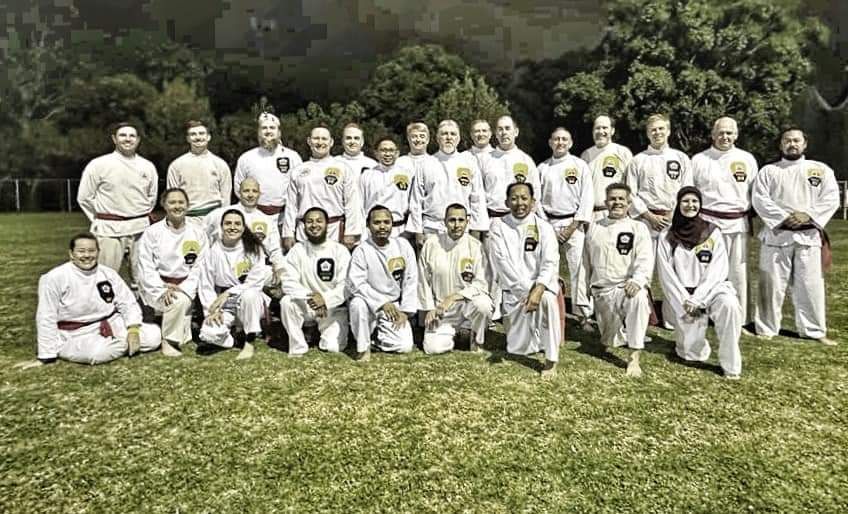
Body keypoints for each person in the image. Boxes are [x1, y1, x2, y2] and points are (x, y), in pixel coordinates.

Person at [15, 233, 161, 369]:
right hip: (76, 333)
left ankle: (119, 343)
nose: (87, 255)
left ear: (98, 252)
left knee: (154, 336)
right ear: (71, 254)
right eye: (81, 251)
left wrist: (133, 329)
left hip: (111, 323)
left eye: (92, 251)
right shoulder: (54, 278)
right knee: (98, 353)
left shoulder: (107, 273)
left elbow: (127, 302)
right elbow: (46, 316)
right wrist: (46, 355)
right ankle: (112, 346)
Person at [752, 128, 839, 345]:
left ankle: (814, 330)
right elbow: (760, 199)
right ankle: (766, 327)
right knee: (770, 284)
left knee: (810, 286)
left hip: (808, 236)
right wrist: (783, 217)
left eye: (796, 140)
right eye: (787, 141)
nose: (792, 144)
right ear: (780, 145)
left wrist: (807, 215)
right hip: (777, 234)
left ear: (805, 144)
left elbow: (830, 199)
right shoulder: (769, 171)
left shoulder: (820, 170)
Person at [657, 187, 743, 378]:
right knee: (691, 354)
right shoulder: (666, 236)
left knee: (730, 306)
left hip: (713, 290)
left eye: (695, 201)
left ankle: (731, 366)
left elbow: (718, 270)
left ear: (700, 205)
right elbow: (666, 274)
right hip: (684, 297)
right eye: (685, 201)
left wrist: (699, 298)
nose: (690, 205)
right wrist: (685, 301)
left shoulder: (712, 232)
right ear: (678, 205)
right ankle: (692, 345)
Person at [626, 113, 693, 327]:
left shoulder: (681, 158)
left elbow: (687, 190)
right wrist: (648, 216)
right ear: (647, 133)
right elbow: (630, 194)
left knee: (673, 271)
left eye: (661, 129)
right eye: (653, 130)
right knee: (642, 268)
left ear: (669, 130)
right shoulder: (638, 160)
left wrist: (674, 215)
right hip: (646, 221)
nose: (657, 133)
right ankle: (642, 316)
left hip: (673, 220)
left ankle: (672, 319)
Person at [487, 182, 561, 377]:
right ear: (506, 201)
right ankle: (535, 336)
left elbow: (551, 261)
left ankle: (551, 360)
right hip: (515, 293)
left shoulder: (544, 227)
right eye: (514, 198)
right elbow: (501, 263)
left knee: (547, 300)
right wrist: (526, 291)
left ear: (533, 202)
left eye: (524, 198)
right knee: (519, 348)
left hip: (541, 289)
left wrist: (538, 289)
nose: (519, 203)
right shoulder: (498, 226)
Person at [581, 183, 653, 377]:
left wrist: (637, 281)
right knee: (609, 340)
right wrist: (586, 287)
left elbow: (645, 259)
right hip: (602, 290)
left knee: (638, 299)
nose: (617, 202)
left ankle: (634, 357)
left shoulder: (638, 228)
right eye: (613, 199)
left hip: (626, 286)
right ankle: (616, 329)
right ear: (606, 202)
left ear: (629, 203)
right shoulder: (595, 227)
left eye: (621, 199)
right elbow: (585, 262)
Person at [692, 117, 758, 324]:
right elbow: (690, 193)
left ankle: (739, 318)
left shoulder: (747, 159)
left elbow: (755, 193)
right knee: (706, 270)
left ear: (736, 135)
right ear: (712, 135)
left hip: (737, 223)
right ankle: (703, 312)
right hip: (707, 223)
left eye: (729, 133)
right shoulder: (699, 160)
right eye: (720, 133)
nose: (725, 137)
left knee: (737, 273)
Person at [77, 122, 158, 283]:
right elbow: (84, 197)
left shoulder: (147, 166)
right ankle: (105, 308)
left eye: (132, 136)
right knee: (105, 277)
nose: (127, 139)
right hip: (109, 230)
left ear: (138, 140)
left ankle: (143, 307)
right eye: (123, 135)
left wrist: (137, 216)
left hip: (141, 229)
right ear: (114, 139)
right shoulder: (99, 165)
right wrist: (101, 218)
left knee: (144, 277)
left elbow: (151, 197)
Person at [136, 188, 209, 356]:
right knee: (177, 301)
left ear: (188, 205)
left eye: (181, 202)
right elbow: (145, 266)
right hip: (159, 287)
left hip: (186, 286)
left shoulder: (198, 232)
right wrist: (161, 288)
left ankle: (177, 330)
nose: (177, 206)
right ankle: (168, 341)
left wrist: (184, 287)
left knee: (181, 303)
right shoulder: (152, 232)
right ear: (164, 205)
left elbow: (201, 266)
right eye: (172, 202)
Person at [190, 210, 272, 359]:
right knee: (208, 334)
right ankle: (233, 337)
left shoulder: (254, 248)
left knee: (250, 294)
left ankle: (249, 340)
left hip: (249, 303)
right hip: (223, 305)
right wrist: (212, 311)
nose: (232, 227)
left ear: (243, 227)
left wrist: (229, 292)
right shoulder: (212, 251)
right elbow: (206, 284)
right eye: (228, 223)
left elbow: (255, 282)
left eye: (237, 224)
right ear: (221, 226)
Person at [538, 127, 595, 329]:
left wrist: (573, 226)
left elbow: (587, 197)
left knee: (579, 269)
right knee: (548, 267)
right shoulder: (543, 168)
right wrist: (546, 225)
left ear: (570, 143)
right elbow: (537, 201)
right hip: (548, 223)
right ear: (550, 142)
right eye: (556, 139)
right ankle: (550, 307)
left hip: (574, 222)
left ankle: (583, 314)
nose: (560, 142)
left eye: (564, 139)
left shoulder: (580, 166)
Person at [418, 204, 493, 354]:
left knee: (483, 304)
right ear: (444, 222)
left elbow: (482, 283)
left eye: (460, 220)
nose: (457, 225)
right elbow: (422, 281)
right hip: (441, 310)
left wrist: (453, 298)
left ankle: (475, 338)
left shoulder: (475, 246)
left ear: (467, 221)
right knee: (432, 348)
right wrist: (430, 309)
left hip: (467, 306)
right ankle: (456, 336)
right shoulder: (431, 244)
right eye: (452, 220)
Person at [348, 206, 419, 361]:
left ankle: (376, 340)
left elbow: (410, 279)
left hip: (394, 306)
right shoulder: (361, 250)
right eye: (377, 222)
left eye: (386, 222)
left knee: (404, 346)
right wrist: (381, 302)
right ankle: (363, 347)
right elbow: (357, 284)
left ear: (392, 224)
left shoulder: (402, 246)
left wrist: (405, 312)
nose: (382, 226)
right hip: (369, 304)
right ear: (368, 225)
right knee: (357, 304)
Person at [279, 207, 351, 357]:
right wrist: (312, 297)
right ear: (303, 225)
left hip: (332, 309)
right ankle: (298, 345)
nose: (314, 225)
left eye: (319, 221)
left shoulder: (340, 250)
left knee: (332, 347)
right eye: (309, 221)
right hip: (308, 305)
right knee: (287, 302)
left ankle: (318, 333)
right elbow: (288, 281)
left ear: (327, 224)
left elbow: (346, 286)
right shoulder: (297, 250)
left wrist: (325, 299)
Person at [405, 120, 489, 247]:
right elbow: (416, 200)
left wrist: (476, 230)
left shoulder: (469, 162)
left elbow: (477, 198)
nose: (449, 138)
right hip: (432, 228)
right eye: (444, 134)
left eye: (453, 134)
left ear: (459, 138)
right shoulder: (426, 163)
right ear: (437, 138)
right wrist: (418, 231)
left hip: (462, 228)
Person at [281, 126, 364, 251]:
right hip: (305, 231)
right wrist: (288, 233)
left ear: (331, 142)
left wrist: (351, 231)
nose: (320, 142)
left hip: (334, 230)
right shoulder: (298, 170)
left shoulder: (343, 168)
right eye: (316, 138)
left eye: (324, 139)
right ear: (309, 141)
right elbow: (291, 204)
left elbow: (352, 202)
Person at [232, 112, 303, 228]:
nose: (268, 131)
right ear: (258, 133)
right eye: (264, 128)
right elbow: (238, 188)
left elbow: (300, 188)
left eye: (272, 128)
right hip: (253, 218)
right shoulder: (246, 158)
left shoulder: (293, 157)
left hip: (285, 218)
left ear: (279, 133)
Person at [204, 178, 285, 272]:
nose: (250, 195)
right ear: (239, 192)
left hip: (253, 270)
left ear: (259, 194)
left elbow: (275, 249)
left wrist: (279, 267)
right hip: (223, 269)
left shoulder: (267, 220)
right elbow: (202, 236)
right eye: (246, 191)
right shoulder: (219, 214)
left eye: (254, 191)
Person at [166, 120, 232, 220]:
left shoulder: (220, 164)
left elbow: (226, 197)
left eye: (201, 133)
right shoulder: (176, 165)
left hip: (214, 217)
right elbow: (172, 197)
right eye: (193, 134)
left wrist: (223, 218)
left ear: (208, 137)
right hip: (187, 219)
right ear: (188, 138)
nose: (197, 137)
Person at [481, 115, 541, 221]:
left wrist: (528, 219)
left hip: (520, 219)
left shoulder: (526, 160)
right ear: (496, 134)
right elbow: (479, 193)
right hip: (492, 220)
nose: (504, 132)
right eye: (500, 129)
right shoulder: (485, 160)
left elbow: (535, 192)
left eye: (507, 128)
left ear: (516, 132)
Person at [359, 137, 415, 238]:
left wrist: (409, 230)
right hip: (372, 231)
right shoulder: (367, 176)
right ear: (376, 153)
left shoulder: (407, 175)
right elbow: (359, 206)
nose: (388, 154)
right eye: (383, 150)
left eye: (391, 150)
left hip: (399, 230)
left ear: (397, 153)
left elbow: (414, 205)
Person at [580, 115, 633, 221]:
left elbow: (631, 185)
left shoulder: (623, 152)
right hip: (591, 215)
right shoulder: (586, 155)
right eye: (597, 128)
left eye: (605, 128)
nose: (601, 131)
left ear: (612, 131)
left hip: (616, 212)